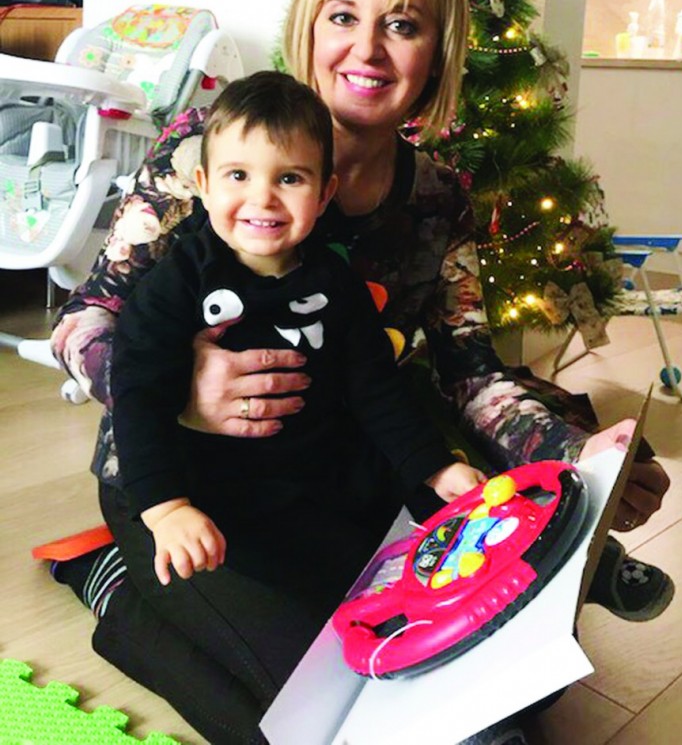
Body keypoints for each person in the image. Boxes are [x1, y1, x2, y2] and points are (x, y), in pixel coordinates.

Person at [50, 0, 672, 745]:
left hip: (329, 478)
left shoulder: (437, 197)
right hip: (175, 479)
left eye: (403, 24)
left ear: (436, 53)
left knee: (497, 692)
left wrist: (575, 457)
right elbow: (83, 319)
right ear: (309, 27)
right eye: (343, 16)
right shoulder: (210, 151)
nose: (368, 49)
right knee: (307, 720)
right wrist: (183, 389)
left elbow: (470, 371)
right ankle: (115, 587)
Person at [112, 69, 483, 598]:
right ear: (204, 185)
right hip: (227, 487)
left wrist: (434, 467)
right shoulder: (176, 282)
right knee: (316, 590)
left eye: (289, 179)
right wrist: (166, 508)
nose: (262, 199)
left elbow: (377, 388)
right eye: (238, 175)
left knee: (432, 519)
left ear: (325, 192)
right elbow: (138, 394)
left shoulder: (336, 281)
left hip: (330, 468)